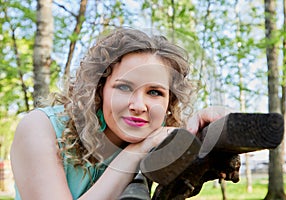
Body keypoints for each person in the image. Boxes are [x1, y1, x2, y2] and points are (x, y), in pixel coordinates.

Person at [10, 28, 229, 200]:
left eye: (154, 92)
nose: (139, 105)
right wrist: (136, 152)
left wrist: (211, 120)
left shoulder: (152, 136)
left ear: (169, 103)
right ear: (100, 90)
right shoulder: (41, 127)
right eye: (123, 87)